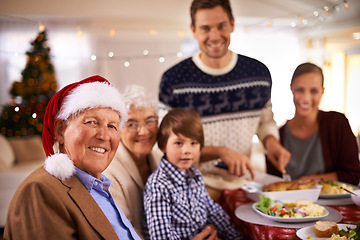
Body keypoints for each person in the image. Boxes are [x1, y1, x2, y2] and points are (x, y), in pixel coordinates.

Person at [158, 0, 290, 187]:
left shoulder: (258, 74)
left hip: (242, 184)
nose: (214, 36)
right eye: (205, 28)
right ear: (193, 30)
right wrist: (220, 152)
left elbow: (265, 121)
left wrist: (272, 144)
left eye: (221, 26)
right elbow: (166, 144)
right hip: (191, 187)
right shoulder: (173, 80)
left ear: (232, 24)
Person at [4, 75, 141, 240]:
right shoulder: (40, 191)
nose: (104, 136)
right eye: (91, 122)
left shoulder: (99, 187)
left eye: (112, 126)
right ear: (60, 131)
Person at [143, 108, 242, 240]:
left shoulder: (195, 175)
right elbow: (162, 237)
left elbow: (213, 211)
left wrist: (234, 237)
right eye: (178, 143)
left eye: (193, 143)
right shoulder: (158, 185)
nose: (187, 150)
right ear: (162, 147)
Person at [266, 63, 360, 185]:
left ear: (322, 91)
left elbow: (353, 175)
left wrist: (310, 181)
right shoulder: (277, 137)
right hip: (290, 204)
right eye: (300, 90)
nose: (306, 98)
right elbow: (273, 185)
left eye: (314, 91)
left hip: (335, 203)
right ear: (291, 88)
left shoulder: (337, 123)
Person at [103, 85, 162, 238]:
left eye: (149, 121)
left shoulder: (161, 158)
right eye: (131, 124)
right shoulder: (108, 172)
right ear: (117, 128)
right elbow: (123, 233)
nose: (143, 131)